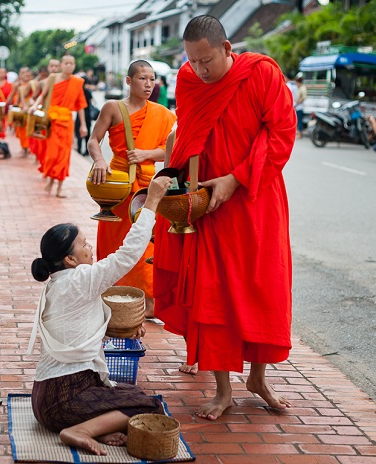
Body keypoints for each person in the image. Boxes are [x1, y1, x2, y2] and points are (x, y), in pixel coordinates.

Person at [153, 15, 296, 420]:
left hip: (256, 197)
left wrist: (236, 178)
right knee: (210, 293)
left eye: (207, 61)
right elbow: (187, 135)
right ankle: (222, 389)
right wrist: (176, 185)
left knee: (262, 286)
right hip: (207, 204)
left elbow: (282, 133)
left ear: (228, 49)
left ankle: (258, 377)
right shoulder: (187, 79)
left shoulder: (262, 74)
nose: (200, 70)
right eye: (193, 62)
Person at [28, 176, 173, 456]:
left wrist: (122, 328)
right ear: (70, 260)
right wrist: (151, 202)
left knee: (128, 393)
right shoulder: (81, 278)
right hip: (66, 398)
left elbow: (77, 330)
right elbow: (126, 256)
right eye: (83, 244)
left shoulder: (57, 285)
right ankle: (79, 430)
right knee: (147, 404)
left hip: (44, 400)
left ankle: (97, 426)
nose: (89, 248)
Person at [87, 60, 176, 319]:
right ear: (129, 81)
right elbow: (94, 139)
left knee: (147, 243)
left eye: (152, 79)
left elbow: (171, 148)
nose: (148, 84)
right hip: (116, 186)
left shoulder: (163, 113)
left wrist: (146, 153)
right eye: (142, 79)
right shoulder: (113, 108)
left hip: (148, 187)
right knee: (115, 242)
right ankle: (114, 293)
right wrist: (99, 160)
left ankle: (149, 302)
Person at [30, 55, 88, 198]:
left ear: (74, 66)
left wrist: (83, 126)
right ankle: (50, 181)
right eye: (66, 63)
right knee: (52, 154)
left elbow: (80, 105)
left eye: (72, 63)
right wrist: (34, 105)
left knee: (64, 155)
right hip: (52, 122)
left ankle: (59, 187)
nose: (69, 66)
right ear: (61, 64)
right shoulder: (52, 78)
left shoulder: (77, 82)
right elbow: (43, 96)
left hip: (67, 122)